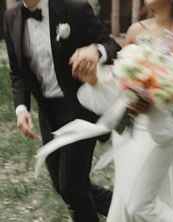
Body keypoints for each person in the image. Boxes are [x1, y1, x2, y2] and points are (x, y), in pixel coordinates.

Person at [74, 0, 173, 221]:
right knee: (125, 201)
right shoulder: (135, 31)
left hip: (160, 137)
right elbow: (117, 88)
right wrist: (93, 79)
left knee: (138, 207)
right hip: (127, 132)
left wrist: (155, 95)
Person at [4, 0, 120, 221]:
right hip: (48, 112)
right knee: (63, 185)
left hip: (79, 107)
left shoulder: (74, 8)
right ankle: (126, 207)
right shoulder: (11, 18)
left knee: (71, 187)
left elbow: (111, 45)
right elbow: (17, 73)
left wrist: (96, 50)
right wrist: (21, 109)